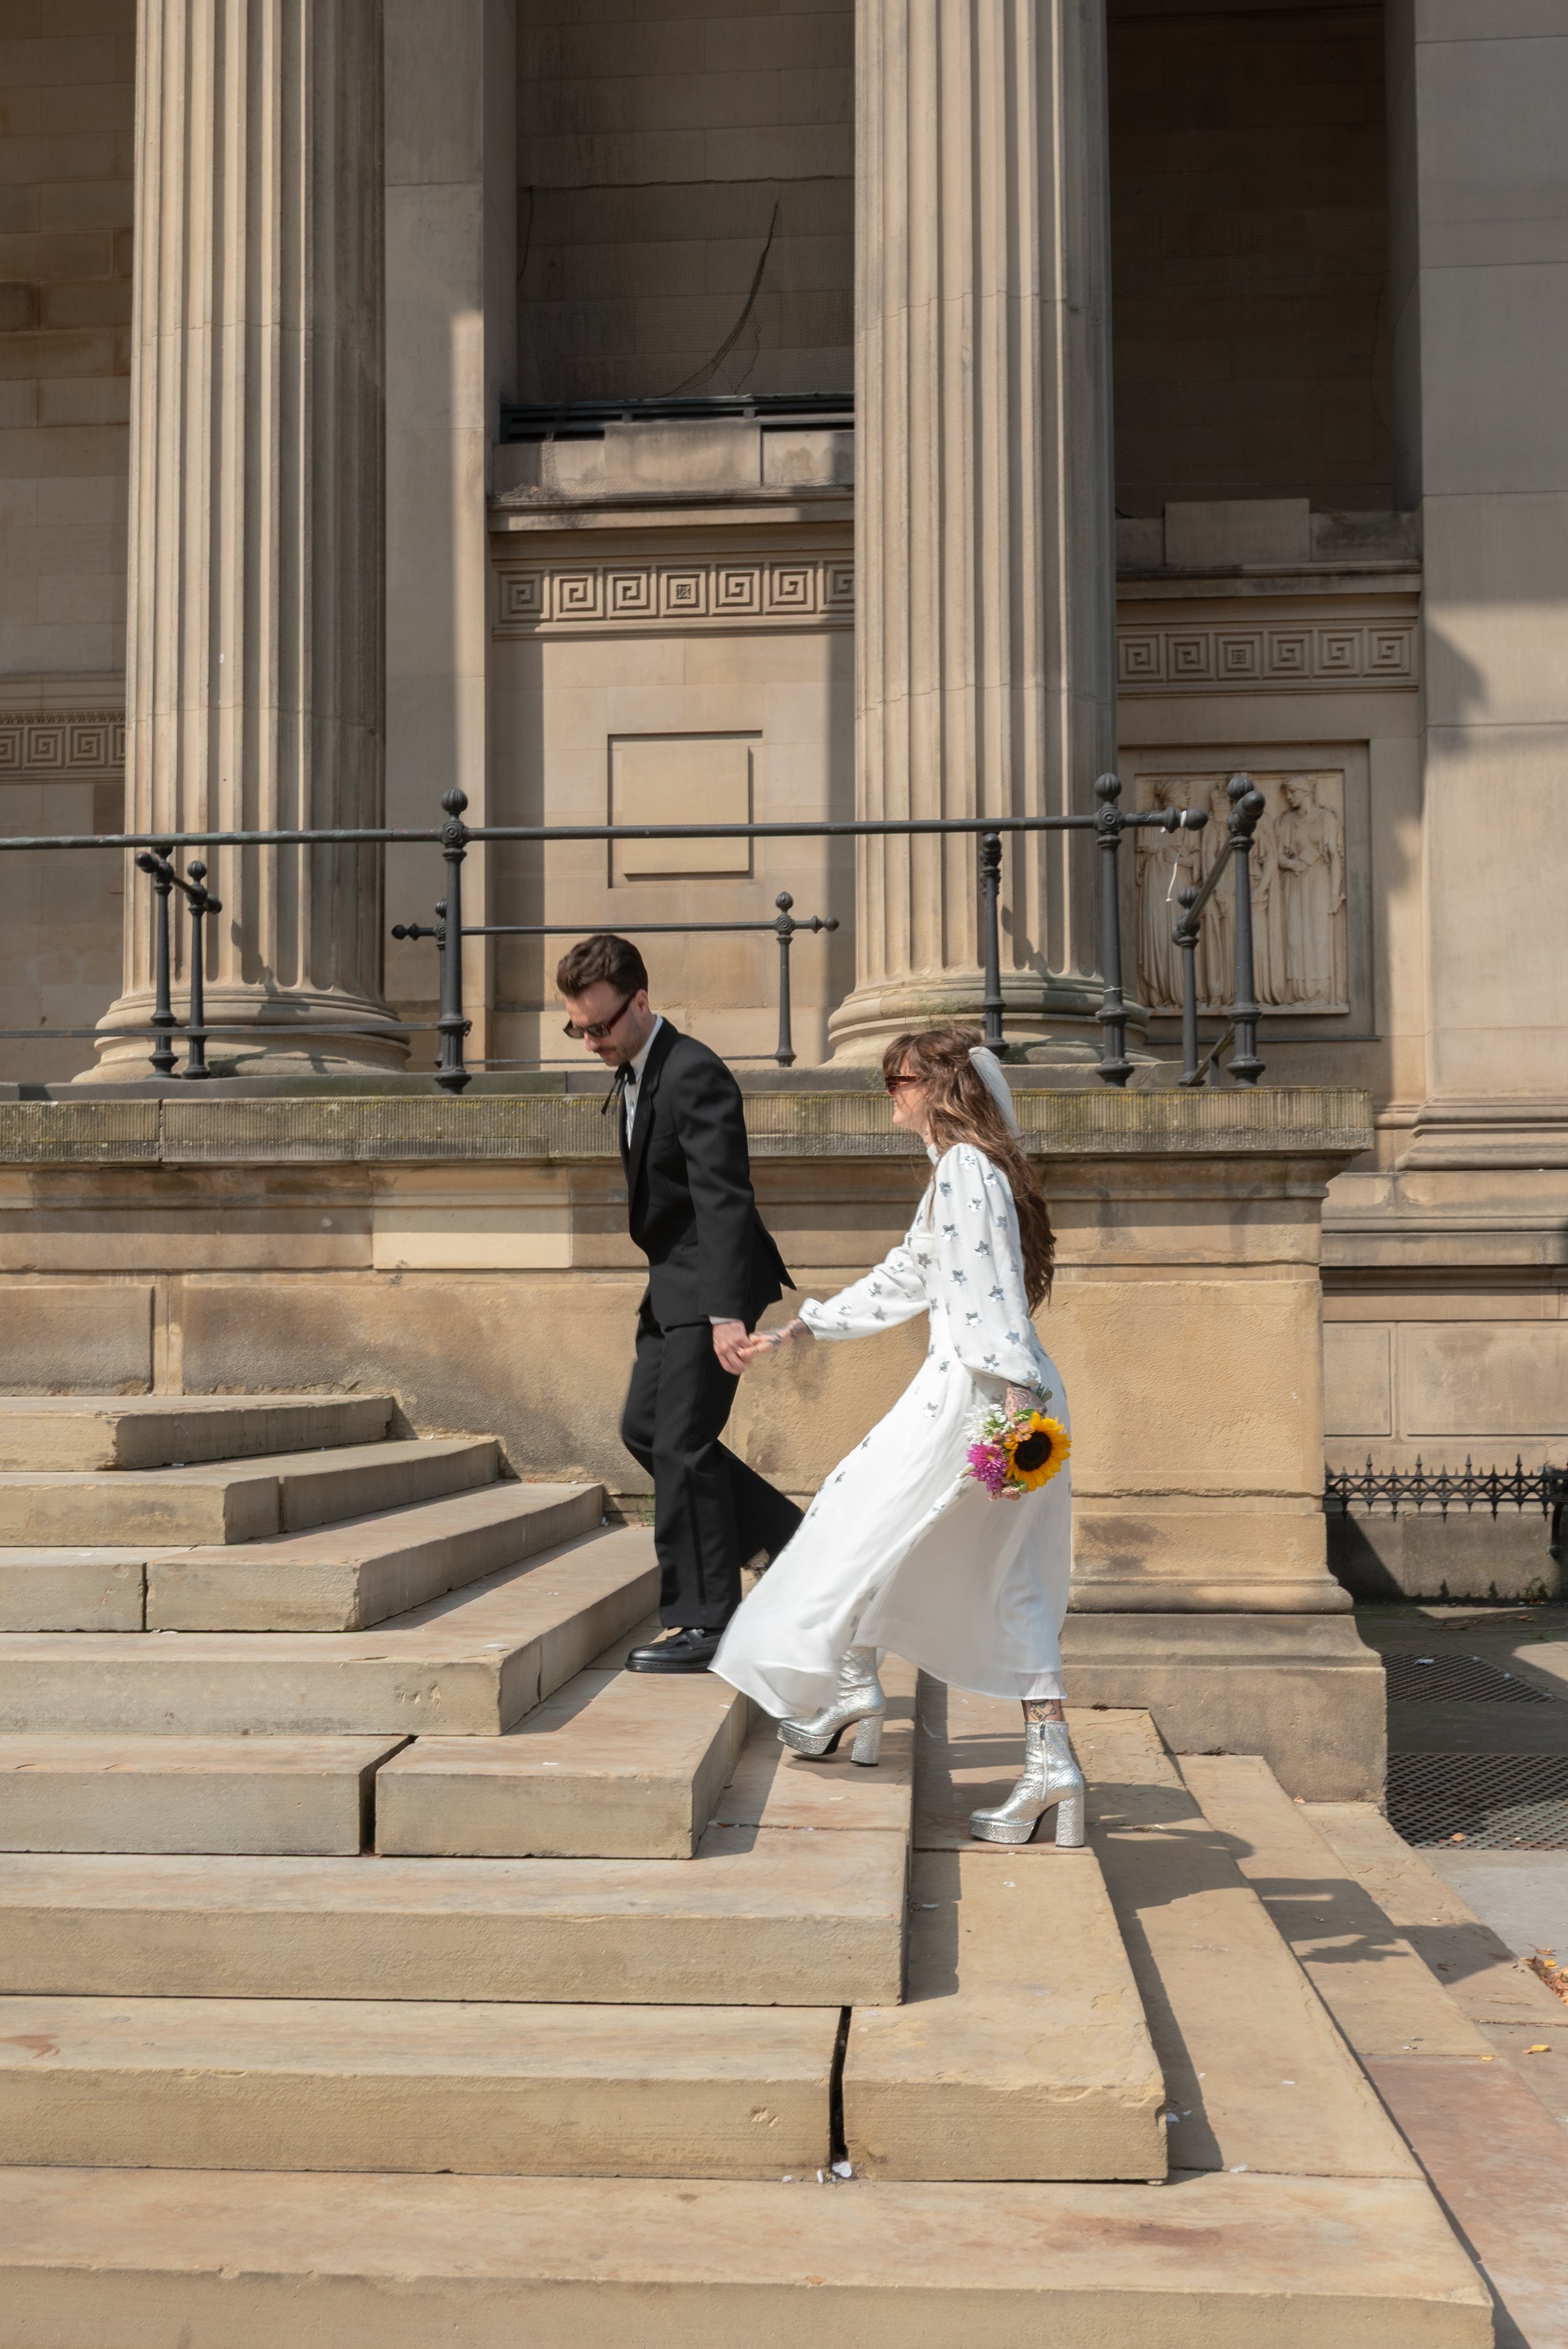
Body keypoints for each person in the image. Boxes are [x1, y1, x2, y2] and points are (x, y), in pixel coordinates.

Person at [713, 1024, 1084, 1848]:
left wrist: (1014, 1411)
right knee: (1007, 1576)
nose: (892, 1093)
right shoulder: (971, 1174)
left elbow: (986, 1301)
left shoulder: (961, 1171)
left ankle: (851, 1682)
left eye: (900, 1079)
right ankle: (1046, 1757)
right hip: (1011, 1391)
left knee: (861, 1522)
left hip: (984, 1393)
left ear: (941, 1086)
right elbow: (907, 1275)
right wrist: (804, 1329)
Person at [558, 934, 804, 1673]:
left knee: (681, 1444)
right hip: (673, 1283)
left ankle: (707, 1620)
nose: (591, 1041)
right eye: (578, 1028)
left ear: (641, 1002)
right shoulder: (636, 1066)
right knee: (646, 1428)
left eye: (601, 1025)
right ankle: (792, 1537)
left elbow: (725, 1199)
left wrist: (727, 1312)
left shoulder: (693, 1072)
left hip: (710, 1284)